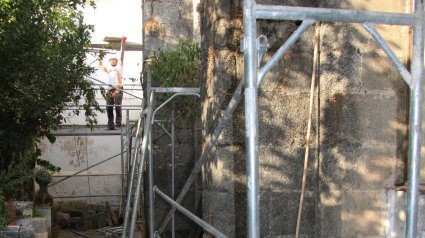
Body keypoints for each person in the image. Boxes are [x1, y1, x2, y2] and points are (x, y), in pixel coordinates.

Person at [98, 37, 126, 130]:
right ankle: (110, 125)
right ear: (109, 62)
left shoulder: (119, 68)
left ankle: (118, 125)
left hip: (118, 89)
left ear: (116, 61)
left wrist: (122, 45)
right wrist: (99, 55)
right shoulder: (109, 69)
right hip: (110, 90)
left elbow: (122, 57)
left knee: (118, 107)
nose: (113, 61)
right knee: (109, 108)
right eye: (111, 60)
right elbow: (100, 66)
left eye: (114, 60)